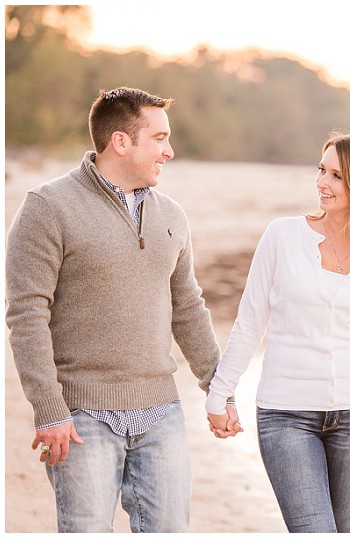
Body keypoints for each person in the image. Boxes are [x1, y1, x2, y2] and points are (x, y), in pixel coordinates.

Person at [5, 86, 242, 533]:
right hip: (81, 415)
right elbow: (26, 315)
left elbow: (187, 307)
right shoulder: (48, 207)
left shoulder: (172, 214)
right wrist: (49, 408)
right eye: (159, 138)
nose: (169, 151)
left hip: (161, 411)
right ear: (121, 142)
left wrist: (219, 386)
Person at [205, 131, 350, 532]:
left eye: (337, 176)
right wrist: (220, 393)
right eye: (322, 170)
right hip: (286, 414)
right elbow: (251, 320)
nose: (322, 182)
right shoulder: (282, 236)